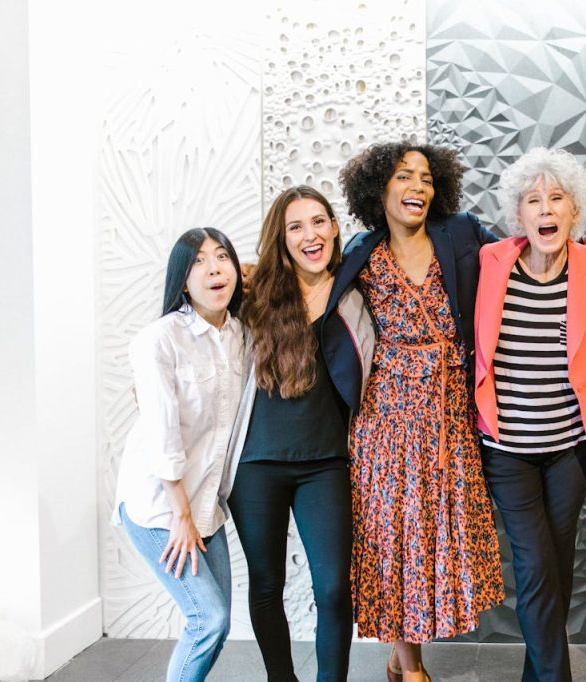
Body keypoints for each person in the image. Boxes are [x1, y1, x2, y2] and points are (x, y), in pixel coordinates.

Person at [338, 142, 506, 682]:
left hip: (448, 413)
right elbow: (311, 286)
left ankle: (398, 656)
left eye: (426, 178)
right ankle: (413, 669)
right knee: (396, 536)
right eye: (404, 177)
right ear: (377, 190)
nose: (417, 187)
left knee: (432, 536)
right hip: (385, 418)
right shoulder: (361, 251)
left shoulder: (459, 233)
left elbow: (518, 256)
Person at [475, 148, 586, 682]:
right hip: (507, 448)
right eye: (533, 200)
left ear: (574, 211)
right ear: (519, 215)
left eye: (556, 197)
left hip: (571, 448)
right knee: (534, 568)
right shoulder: (490, 263)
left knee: (555, 565)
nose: (545, 208)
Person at [228, 186, 357, 682]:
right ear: (281, 239)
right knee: (266, 585)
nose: (310, 234)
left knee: (332, 589)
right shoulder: (254, 295)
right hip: (256, 465)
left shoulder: (353, 290)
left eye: (319, 221)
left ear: (334, 228)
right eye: (296, 226)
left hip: (325, 463)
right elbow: (195, 315)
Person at [113, 227, 246, 682]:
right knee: (206, 620)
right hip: (160, 505)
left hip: (207, 504)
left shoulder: (241, 337)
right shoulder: (160, 339)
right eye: (198, 262)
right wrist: (181, 515)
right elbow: (162, 433)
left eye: (222, 257)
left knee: (218, 621)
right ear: (181, 280)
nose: (213, 268)